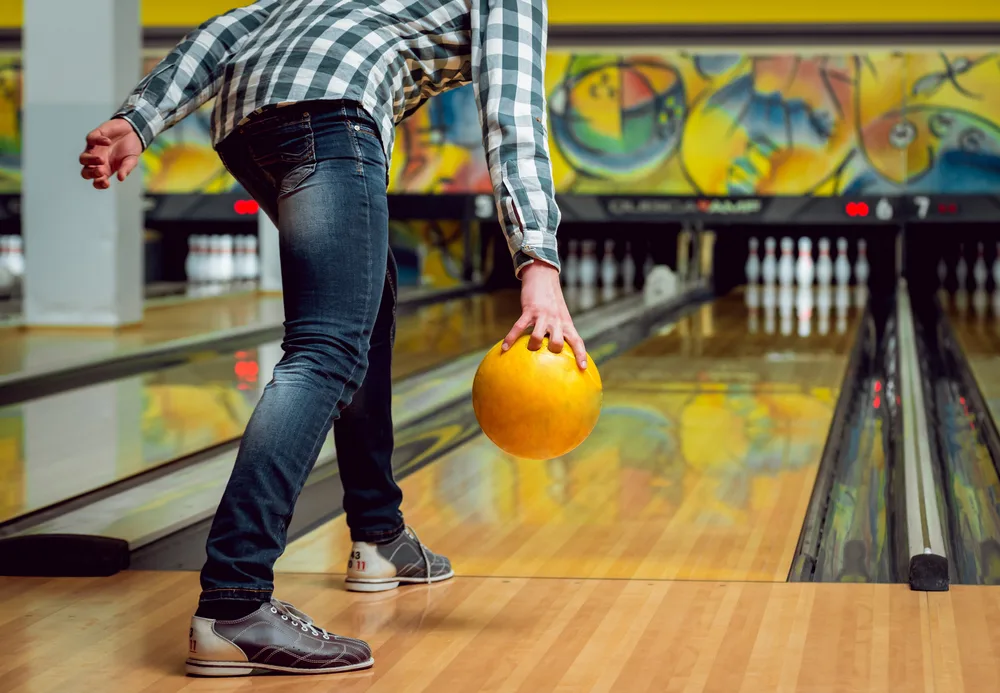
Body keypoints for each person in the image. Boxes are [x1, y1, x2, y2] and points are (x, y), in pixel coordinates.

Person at [78, 0, 586, 678]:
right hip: (332, 111)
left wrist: (139, 118)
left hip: (248, 121)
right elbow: (513, 115)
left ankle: (379, 535)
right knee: (325, 350)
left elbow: (228, 28)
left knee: (365, 319)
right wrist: (539, 265)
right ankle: (234, 600)